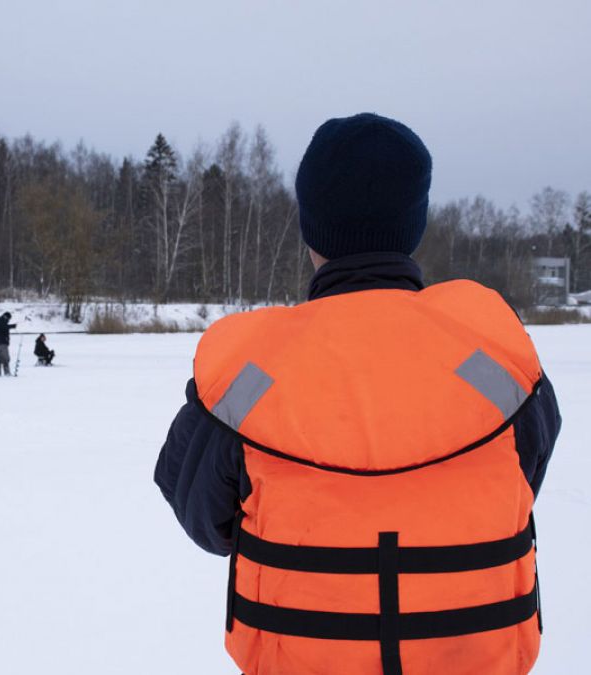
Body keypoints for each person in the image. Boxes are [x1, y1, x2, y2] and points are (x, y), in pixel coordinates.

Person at [154, 113, 561, 675]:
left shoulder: (250, 375)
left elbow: (202, 517)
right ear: (414, 223)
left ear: (310, 228)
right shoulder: (494, 363)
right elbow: (523, 478)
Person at [0, 311, 17, 376]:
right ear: (6, 317)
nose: (9, 320)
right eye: (9, 319)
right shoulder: (1, 321)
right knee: (6, 358)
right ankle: (7, 373)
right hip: (1, 343)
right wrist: (12, 326)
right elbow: (4, 327)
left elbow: (4, 327)